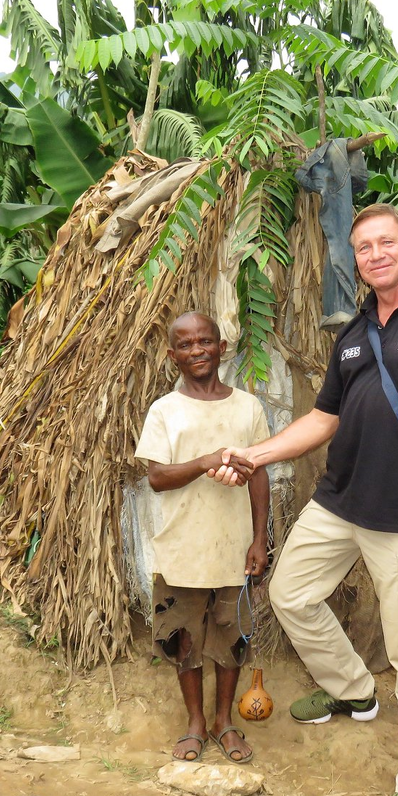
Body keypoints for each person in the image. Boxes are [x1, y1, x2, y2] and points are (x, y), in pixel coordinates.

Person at [210, 203, 398, 796]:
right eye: (363, 246)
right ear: (357, 259)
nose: (375, 254)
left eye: (386, 242)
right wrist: (251, 454)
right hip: (339, 501)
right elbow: (323, 421)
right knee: (289, 593)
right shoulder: (353, 330)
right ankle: (352, 691)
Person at [135, 311, 271, 765]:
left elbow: (259, 478)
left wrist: (259, 539)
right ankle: (195, 722)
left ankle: (224, 722)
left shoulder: (247, 408)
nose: (198, 351)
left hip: (233, 547)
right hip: (182, 548)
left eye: (205, 342)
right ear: (172, 355)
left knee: (230, 639)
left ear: (222, 347)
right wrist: (205, 460)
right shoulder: (164, 411)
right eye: (187, 344)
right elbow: (156, 477)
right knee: (185, 640)